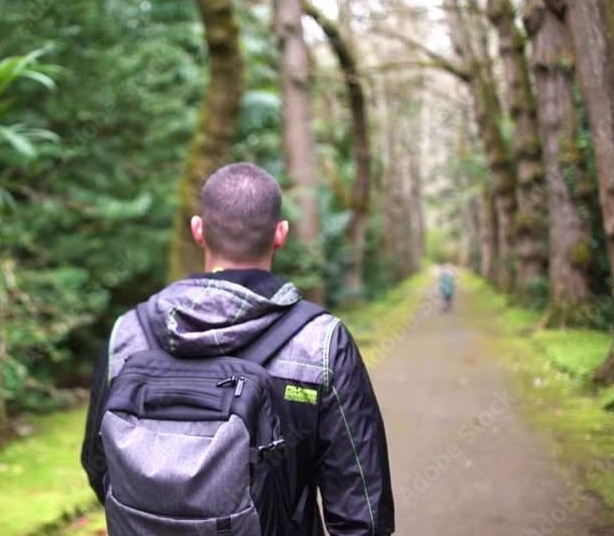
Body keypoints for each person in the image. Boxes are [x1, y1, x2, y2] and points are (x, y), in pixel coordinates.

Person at [80, 162, 394, 536]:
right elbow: (362, 513)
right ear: (280, 234)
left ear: (198, 230)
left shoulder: (127, 333)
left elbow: (99, 466)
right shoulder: (320, 343)